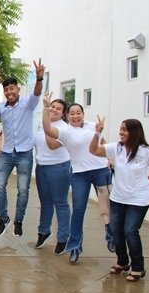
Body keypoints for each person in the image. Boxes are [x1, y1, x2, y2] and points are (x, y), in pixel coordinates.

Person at [0, 59, 45, 237]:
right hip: (6, 153)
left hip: (24, 153)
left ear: (17, 90)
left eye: (12, 88)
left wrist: (39, 78)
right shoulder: (2, 108)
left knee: (22, 189)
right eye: (6, 89)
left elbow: (36, 93)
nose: (9, 92)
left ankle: (18, 220)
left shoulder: (28, 104)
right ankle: (3, 218)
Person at [90, 117, 149, 282]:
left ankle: (138, 267)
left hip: (139, 198)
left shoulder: (146, 151)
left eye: (124, 129)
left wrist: (146, 182)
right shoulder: (116, 148)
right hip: (118, 197)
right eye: (120, 129)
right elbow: (94, 150)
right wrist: (97, 133)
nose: (121, 132)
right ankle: (122, 262)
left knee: (130, 230)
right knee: (116, 230)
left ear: (134, 132)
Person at [42, 94, 111, 264]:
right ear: (66, 116)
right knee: (78, 210)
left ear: (83, 114)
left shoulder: (93, 126)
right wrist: (45, 108)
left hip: (101, 171)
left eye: (78, 112)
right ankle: (74, 247)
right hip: (80, 174)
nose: (75, 116)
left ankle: (112, 239)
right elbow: (47, 130)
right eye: (71, 113)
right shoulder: (65, 131)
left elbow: (104, 143)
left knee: (106, 208)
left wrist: (110, 158)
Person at [34, 98, 71, 254]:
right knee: (45, 202)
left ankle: (63, 238)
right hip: (41, 167)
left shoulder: (65, 129)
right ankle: (43, 231)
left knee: (60, 202)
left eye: (58, 109)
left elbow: (52, 145)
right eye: (52, 107)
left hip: (58, 168)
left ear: (63, 114)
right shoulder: (41, 124)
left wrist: (47, 122)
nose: (54, 110)